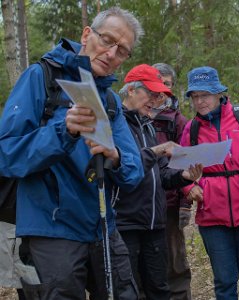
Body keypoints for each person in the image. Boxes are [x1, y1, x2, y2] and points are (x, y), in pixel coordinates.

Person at [0, 7, 145, 300]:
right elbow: (7, 154)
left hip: (103, 226)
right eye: (107, 40)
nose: (111, 53)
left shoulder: (111, 100)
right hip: (50, 227)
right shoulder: (41, 78)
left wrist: (115, 156)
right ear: (87, 34)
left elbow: (134, 171)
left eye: (122, 51)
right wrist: (63, 131)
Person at [114, 64, 202, 300]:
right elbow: (122, 168)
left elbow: (161, 174)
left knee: (160, 289)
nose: (156, 100)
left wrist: (183, 176)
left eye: (159, 95)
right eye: (151, 94)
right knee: (129, 290)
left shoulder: (148, 126)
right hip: (125, 224)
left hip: (155, 224)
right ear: (131, 90)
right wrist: (157, 151)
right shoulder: (116, 124)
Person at [180, 66, 239, 300]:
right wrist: (191, 188)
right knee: (225, 283)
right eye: (195, 96)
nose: (200, 101)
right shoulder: (192, 129)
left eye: (205, 95)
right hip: (213, 218)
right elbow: (180, 169)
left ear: (219, 93)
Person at [151, 63, 192, 300]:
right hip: (141, 204)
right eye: (158, 82)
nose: (162, 89)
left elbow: (187, 163)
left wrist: (185, 203)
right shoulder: (137, 114)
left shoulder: (177, 121)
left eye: (167, 84)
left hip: (170, 203)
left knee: (175, 262)